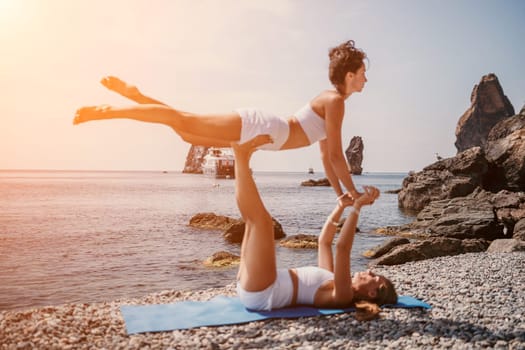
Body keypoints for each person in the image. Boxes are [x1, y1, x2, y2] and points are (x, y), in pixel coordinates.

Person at [73, 40, 368, 200]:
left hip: (263, 137)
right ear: (349, 75)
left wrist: (341, 194)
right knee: (182, 119)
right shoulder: (336, 102)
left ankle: (138, 96)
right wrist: (354, 192)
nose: (366, 78)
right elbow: (334, 156)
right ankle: (108, 111)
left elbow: (326, 157)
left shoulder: (331, 102)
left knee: (186, 133)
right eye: (363, 73)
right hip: (263, 127)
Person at [231, 135, 397, 320]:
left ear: (372, 293)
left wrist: (357, 207)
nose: (369, 271)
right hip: (256, 285)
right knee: (251, 220)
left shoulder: (343, 295)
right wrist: (340, 207)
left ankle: (239, 155)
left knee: (262, 222)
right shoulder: (331, 279)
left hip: (264, 291)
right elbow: (324, 242)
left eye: (374, 277)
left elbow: (342, 249)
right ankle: (241, 157)